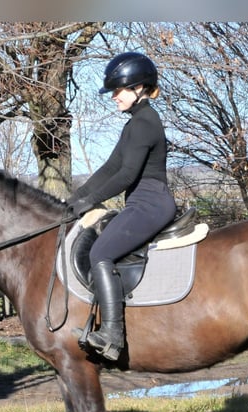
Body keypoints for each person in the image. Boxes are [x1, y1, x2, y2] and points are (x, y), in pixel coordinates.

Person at [65, 52, 176, 361]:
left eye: (119, 90)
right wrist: (74, 200)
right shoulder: (134, 125)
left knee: (100, 252)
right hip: (141, 202)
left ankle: (112, 337)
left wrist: (90, 201)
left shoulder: (145, 123)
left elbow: (127, 175)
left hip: (151, 202)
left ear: (139, 88)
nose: (114, 97)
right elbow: (110, 167)